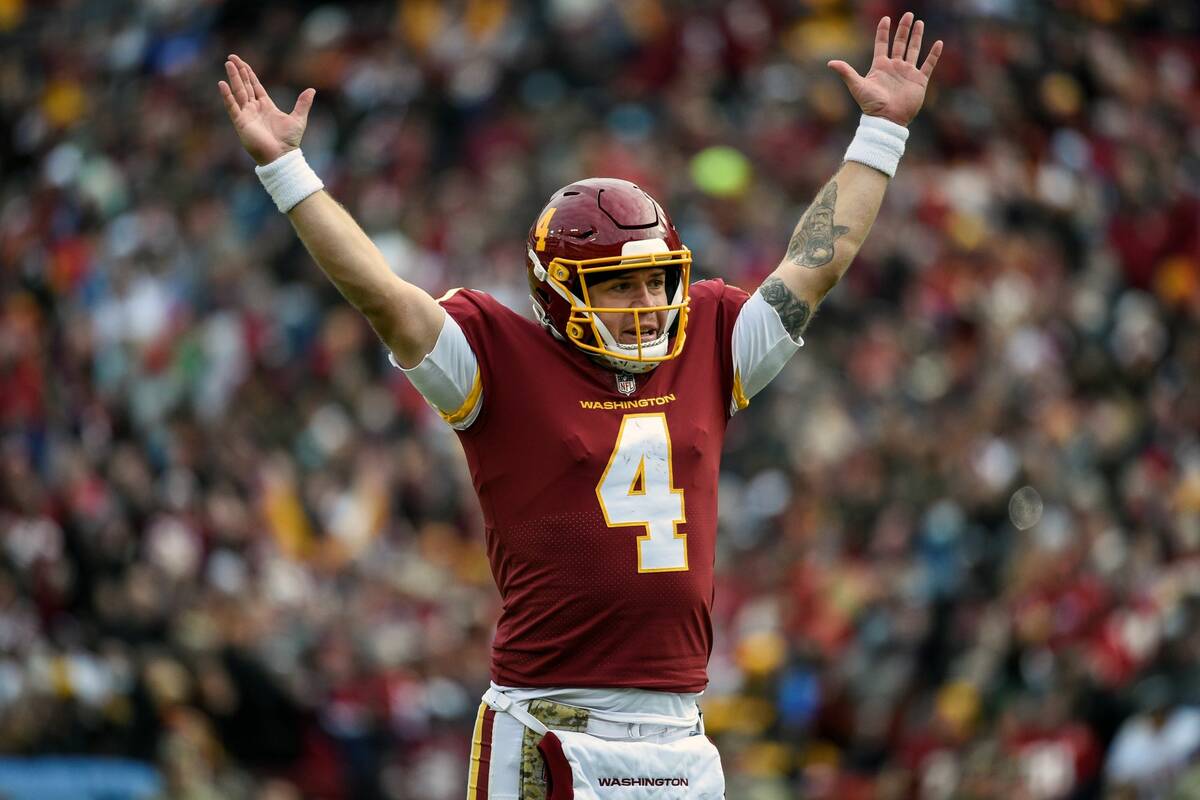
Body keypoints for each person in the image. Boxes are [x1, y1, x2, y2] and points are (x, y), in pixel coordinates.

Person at [218, 12, 942, 798]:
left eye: (655, 280)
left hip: (682, 731)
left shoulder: (708, 340)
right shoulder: (496, 359)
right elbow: (384, 298)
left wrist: (880, 133)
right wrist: (289, 172)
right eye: (616, 285)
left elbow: (816, 266)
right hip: (552, 724)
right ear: (556, 290)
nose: (645, 303)